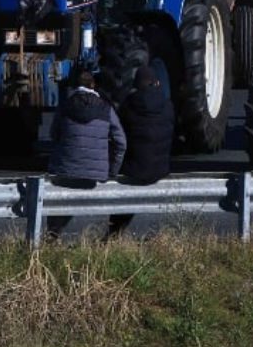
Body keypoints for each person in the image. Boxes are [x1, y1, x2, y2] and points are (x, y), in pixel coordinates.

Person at [45, 69, 126, 239]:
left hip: (66, 170)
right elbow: (121, 142)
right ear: (93, 85)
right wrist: (112, 170)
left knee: (59, 202)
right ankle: (107, 239)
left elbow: (54, 134)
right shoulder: (106, 108)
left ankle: (52, 236)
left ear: (75, 86)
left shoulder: (66, 105)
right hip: (95, 175)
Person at [107, 65, 174, 238]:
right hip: (161, 169)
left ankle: (114, 234)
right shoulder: (167, 106)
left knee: (125, 191)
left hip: (133, 168)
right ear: (156, 83)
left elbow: (119, 135)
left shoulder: (128, 106)